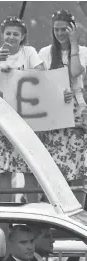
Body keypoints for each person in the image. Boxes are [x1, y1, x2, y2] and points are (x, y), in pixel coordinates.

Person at [0, 16, 45, 203]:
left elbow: (42, 73)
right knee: (5, 168)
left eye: (16, 34)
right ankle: (7, 210)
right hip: (3, 118)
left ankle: (34, 210)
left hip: (28, 118)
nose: (11, 37)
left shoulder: (29, 52)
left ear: (23, 36)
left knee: (30, 167)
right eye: (8, 33)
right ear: (2, 35)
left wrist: (17, 74)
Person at [38, 10, 87, 184]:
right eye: (56, 30)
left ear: (72, 29)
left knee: (76, 163)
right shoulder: (45, 52)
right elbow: (39, 81)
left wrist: (74, 44)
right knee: (55, 161)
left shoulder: (83, 51)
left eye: (64, 29)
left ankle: (79, 208)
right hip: (53, 111)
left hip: (76, 108)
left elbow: (75, 71)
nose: (60, 33)